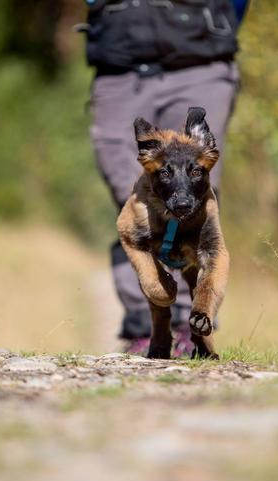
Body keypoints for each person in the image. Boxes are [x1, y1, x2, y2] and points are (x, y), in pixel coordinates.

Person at [81, 0, 248, 356]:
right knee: (131, 199)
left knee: (195, 191)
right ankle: (147, 328)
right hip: (119, 65)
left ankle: (194, 327)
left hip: (199, 60)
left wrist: (216, 21)